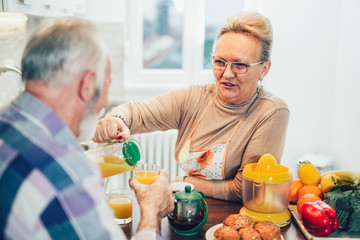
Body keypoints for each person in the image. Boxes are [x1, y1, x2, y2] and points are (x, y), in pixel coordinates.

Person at [0, 16, 174, 239]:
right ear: (88, 85)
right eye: (107, 86)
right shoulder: (66, 173)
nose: (104, 103)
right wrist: (151, 212)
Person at [93, 12, 290, 202]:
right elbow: (136, 113)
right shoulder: (193, 98)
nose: (227, 74)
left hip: (234, 220)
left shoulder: (271, 111)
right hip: (187, 211)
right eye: (220, 62)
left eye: (239, 65)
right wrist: (116, 120)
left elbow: (245, 189)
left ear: (264, 69)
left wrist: (185, 182)